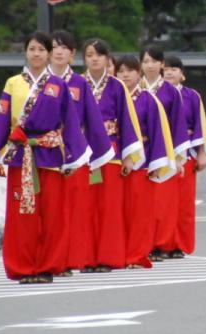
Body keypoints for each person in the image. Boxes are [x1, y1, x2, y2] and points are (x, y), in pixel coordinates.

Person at [0, 32, 90, 283]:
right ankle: (24, 267)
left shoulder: (58, 85)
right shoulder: (13, 83)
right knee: (22, 215)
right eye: (32, 49)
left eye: (41, 49)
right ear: (26, 52)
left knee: (51, 215)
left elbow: (71, 123)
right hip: (21, 155)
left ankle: (48, 266)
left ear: (49, 53)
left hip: (50, 155)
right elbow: (1, 118)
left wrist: (74, 158)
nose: (36, 54)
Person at [50, 30, 115, 275]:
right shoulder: (37, 82)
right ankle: (52, 259)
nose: (58, 51)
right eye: (54, 47)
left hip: (76, 153)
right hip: (45, 154)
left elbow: (93, 121)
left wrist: (99, 156)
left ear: (72, 54)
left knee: (77, 208)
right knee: (51, 209)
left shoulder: (79, 83)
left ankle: (75, 258)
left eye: (64, 47)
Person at [82, 38, 144, 272]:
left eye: (99, 54)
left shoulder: (117, 86)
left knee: (109, 208)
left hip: (112, 152)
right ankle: (86, 257)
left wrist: (129, 156)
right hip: (84, 153)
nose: (94, 58)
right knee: (86, 207)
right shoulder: (77, 84)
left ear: (108, 59)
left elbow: (127, 121)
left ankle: (108, 257)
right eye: (89, 54)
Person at [115, 54, 177, 269]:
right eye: (120, 70)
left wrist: (156, 163)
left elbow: (158, 132)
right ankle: (118, 253)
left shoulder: (149, 99)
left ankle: (137, 255)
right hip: (115, 161)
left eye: (129, 70)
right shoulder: (113, 96)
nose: (125, 74)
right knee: (118, 212)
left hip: (141, 161)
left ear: (138, 72)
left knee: (141, 213)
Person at [141, 46, 189, 261]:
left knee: (164, 202)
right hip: (142, 150)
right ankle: (145, 243)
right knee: (143, 201)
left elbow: (179, 124)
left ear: (161, 64)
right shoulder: (135, 88)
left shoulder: (170, 91)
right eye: (146, 61)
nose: (149, 65)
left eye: (154, 61)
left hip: (165, 149)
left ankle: (163, 243)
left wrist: (179, 157)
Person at [164, 55, 206, 256]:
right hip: (160, 153)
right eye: (166, 69)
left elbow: (200, 125)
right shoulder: (153, 94)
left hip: (186, 153)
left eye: (174, 69)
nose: (169, 72)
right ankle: (162, 243)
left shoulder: (192, 96)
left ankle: (180, 244)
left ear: (182, 74)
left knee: (184, 204)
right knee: (163, 203)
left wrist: (202, 153)